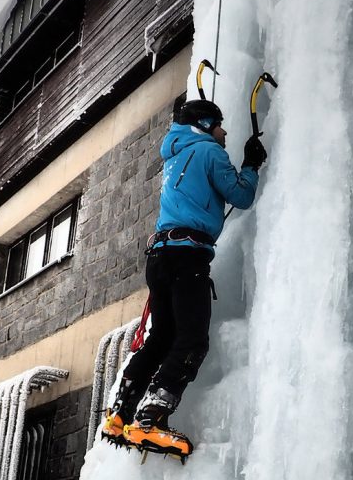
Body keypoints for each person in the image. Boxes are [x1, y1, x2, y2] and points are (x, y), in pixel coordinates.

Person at [103, 96, 267, 446]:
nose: (224, 132)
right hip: (186, 256)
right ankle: (150, 417)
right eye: (219, 124)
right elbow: (239, 195)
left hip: (160, 257)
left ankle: (120, 412)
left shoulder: (175, 155)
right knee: (192, 340)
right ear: (204, 126)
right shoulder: (210, 151)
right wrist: (251, 164)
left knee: (160, 337)